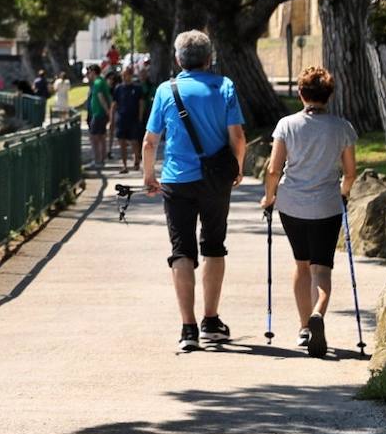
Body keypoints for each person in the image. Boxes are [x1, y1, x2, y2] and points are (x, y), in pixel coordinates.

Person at [143, 30, 247, 351]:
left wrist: (149, 175)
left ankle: (188, 329)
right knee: (214, 246)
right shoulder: (224, 86)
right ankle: (211, 320)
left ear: (178, 60)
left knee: (182, 250)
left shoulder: (166, 90)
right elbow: (238, 137)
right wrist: (238, 169)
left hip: (177, 179)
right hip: (215, 179)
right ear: (209, 58)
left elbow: (150, 141)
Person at [258, 65, 357, 358]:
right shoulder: (343, 127)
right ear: (329, 95)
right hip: (327, 204)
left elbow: (274, 168)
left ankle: (304, 328)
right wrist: (343, 193)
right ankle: (318, 314)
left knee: (301, 264)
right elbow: (350, 173)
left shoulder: (286, 125)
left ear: (301, 93)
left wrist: (268, 197)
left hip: (291, 204)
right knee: (321, 269)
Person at [111, 66, 146, 172]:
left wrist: (140, 118)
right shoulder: (118, 88)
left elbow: (141, 103)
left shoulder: (137, 88)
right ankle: (124, 164)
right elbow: (114, 104)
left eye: (127, 74)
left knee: (134, 141)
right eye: (123, 75)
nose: (125, 77)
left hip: (134, 118)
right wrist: (112, 118)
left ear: (131, 75)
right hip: (122, 118)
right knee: (121, 142)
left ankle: (136, 161)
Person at [85, 63, 114, 169]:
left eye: (89, 72)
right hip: (99, 113)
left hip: (98, 114)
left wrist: (107, 111)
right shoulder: (101, 81)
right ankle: (101, 160)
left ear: (93, 72)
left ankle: (97, 160)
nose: (89, 74)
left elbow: (101, 97)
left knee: (94, 137)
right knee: (101, 136)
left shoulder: (97, 82)